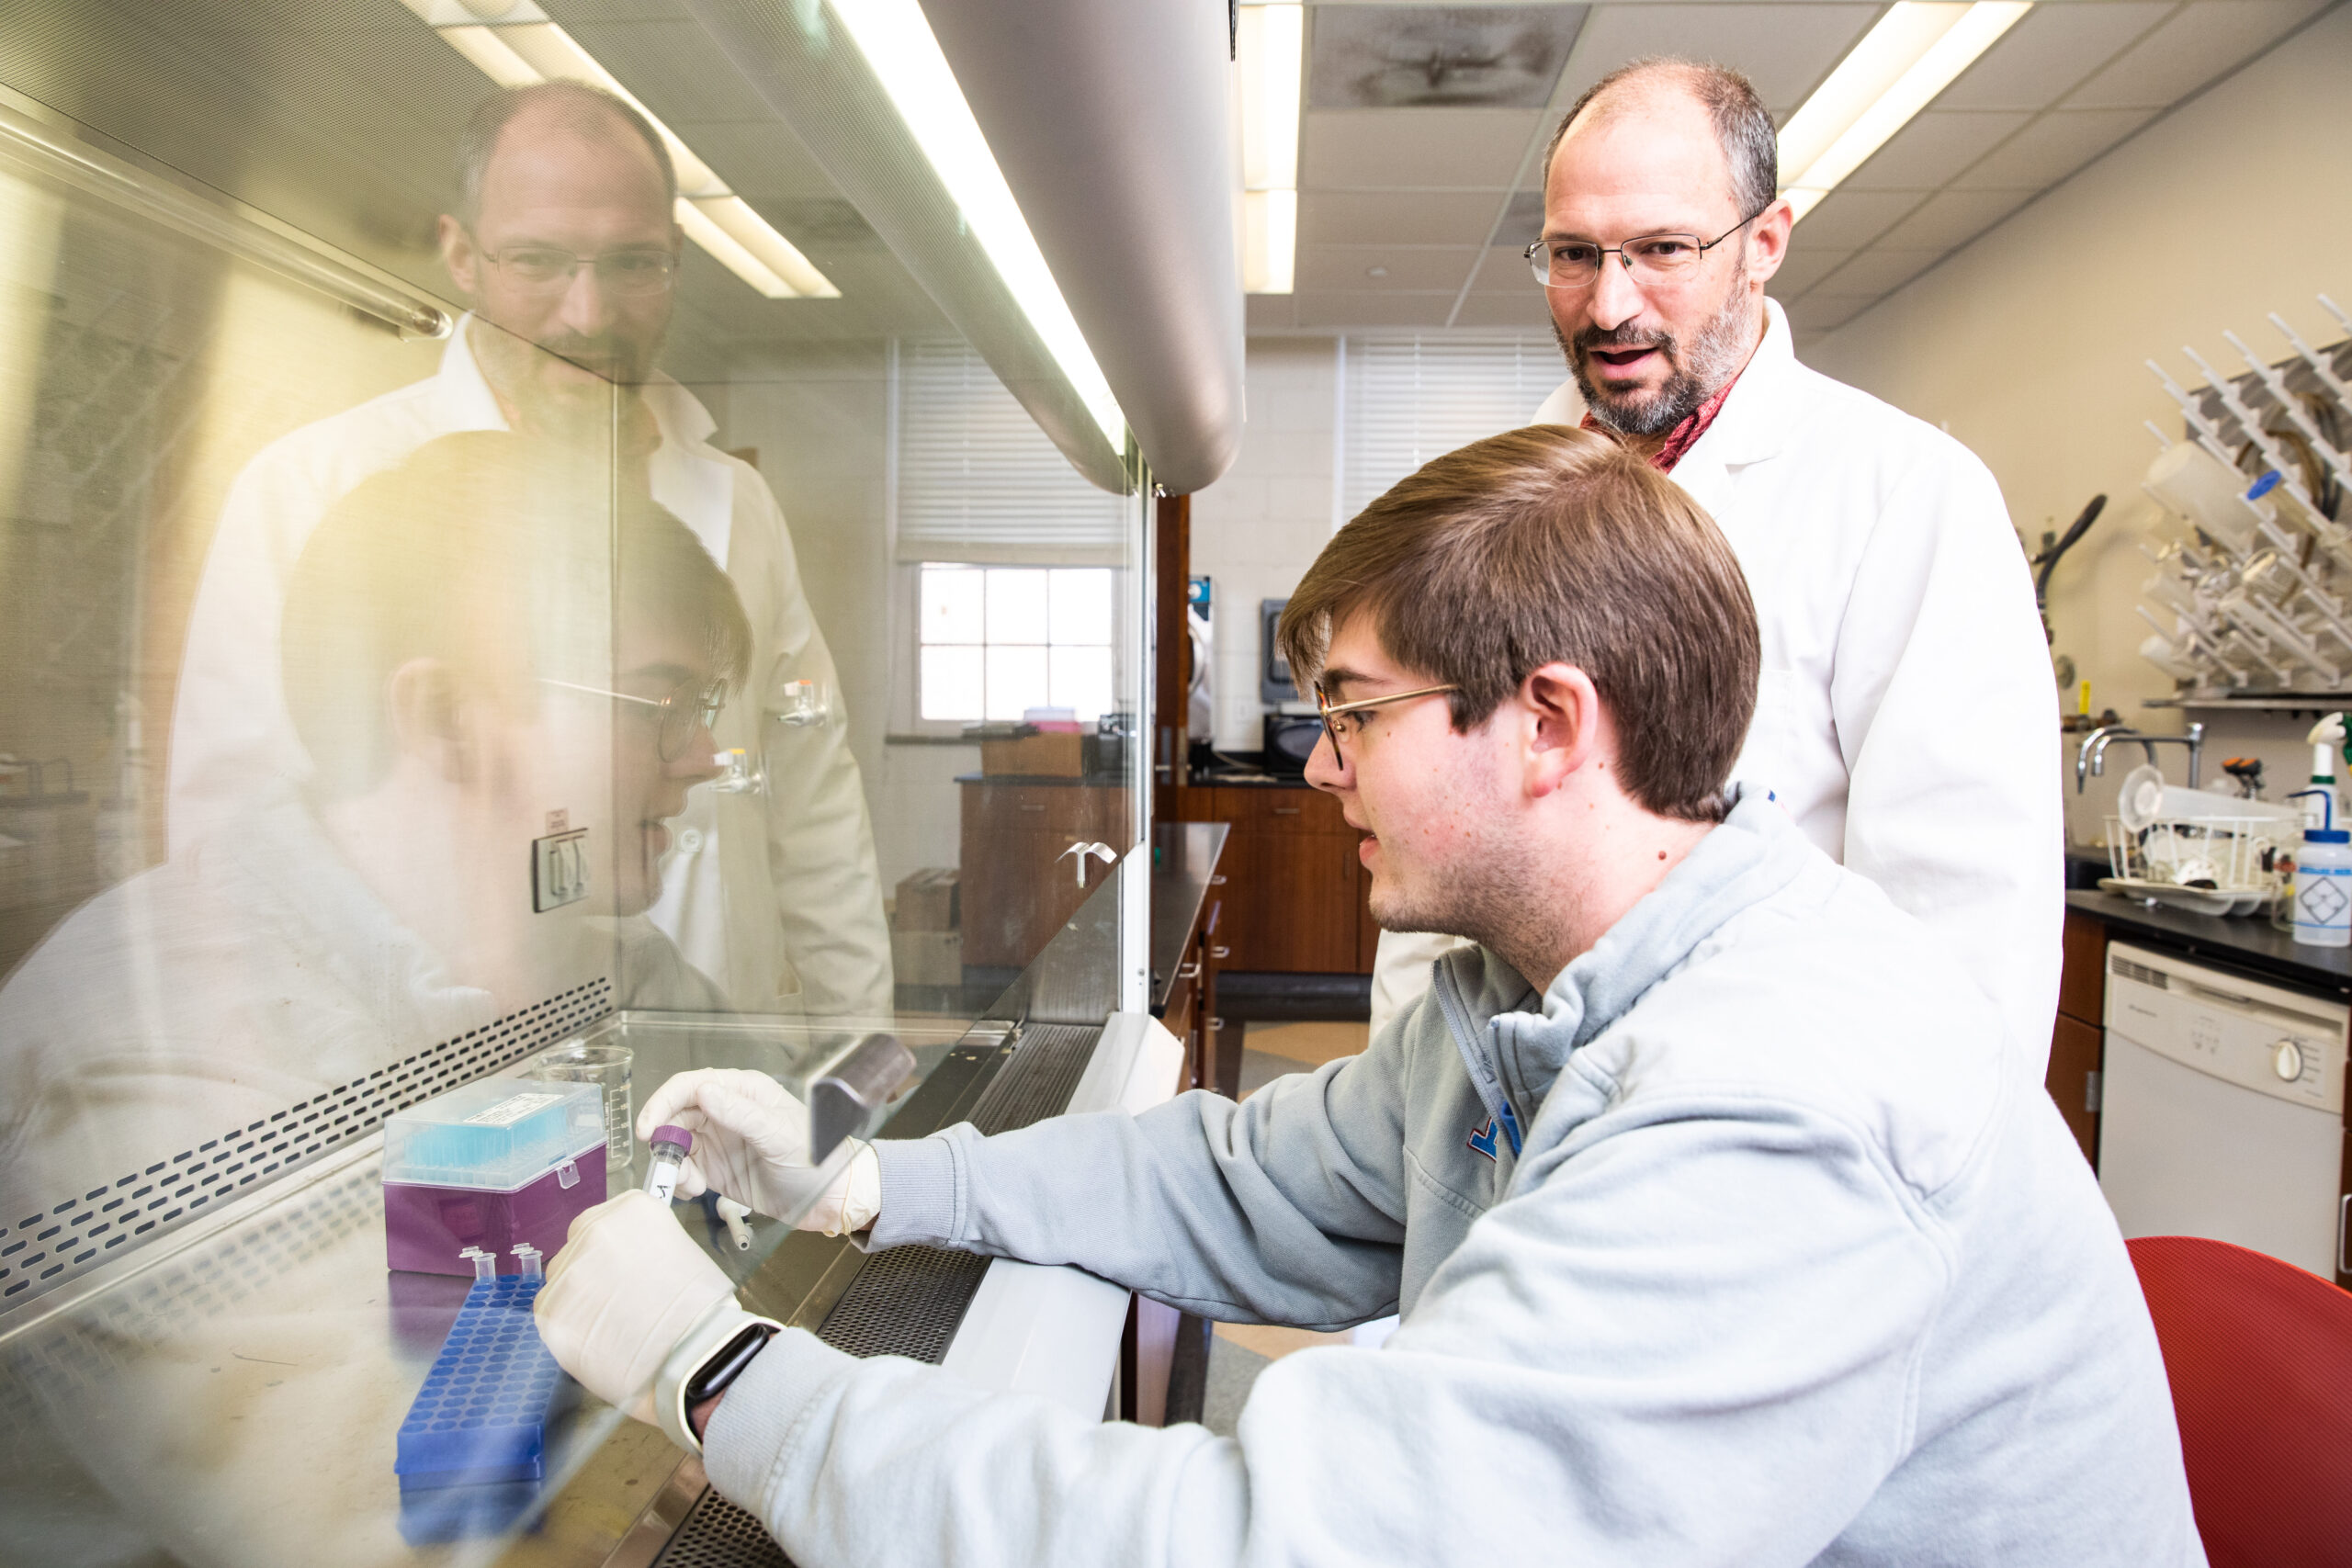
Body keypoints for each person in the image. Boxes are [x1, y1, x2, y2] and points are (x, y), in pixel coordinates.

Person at [535, 427, 2199, 1567]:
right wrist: (877, 1176)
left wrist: (723, 1372)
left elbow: (1301, 1544)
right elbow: (1252, 1175)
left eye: (1355, 712)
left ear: (1548, 724)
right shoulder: (1536, 992)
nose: (1321, 765)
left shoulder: (1777, 1100)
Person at [1371, 58, 2063, 1072]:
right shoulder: (1488, 497)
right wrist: (1403, 1109)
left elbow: (1964, 914)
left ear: (1763, 243)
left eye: (1663, 249)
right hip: (1502, 1099)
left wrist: (1915, 1146)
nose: (1610, 305)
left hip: (1767, 1103)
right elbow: (1440, 836)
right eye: (1573, 255)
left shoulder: (1905, 495)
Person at [165, 80, 890, 1020]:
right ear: (462, 256)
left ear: (675, 259)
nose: (587, 314)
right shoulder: (314, 484)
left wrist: (863, 1056)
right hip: (424, 1056)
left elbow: (813, 797)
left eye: (633, 263)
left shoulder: (738, 503)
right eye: (539, 260)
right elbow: (233, 841)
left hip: (710, 1042)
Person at [0, 434, 742, 1224]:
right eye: (662, 706)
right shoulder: (175, 1054)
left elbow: (793, 1169)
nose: (706, 757)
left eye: (703, 709)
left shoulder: (608, 960)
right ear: (445, 718)